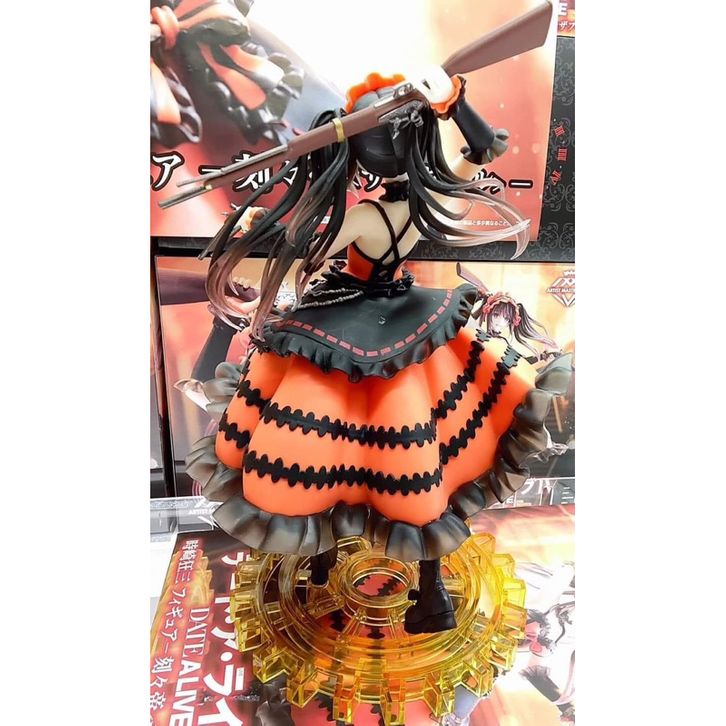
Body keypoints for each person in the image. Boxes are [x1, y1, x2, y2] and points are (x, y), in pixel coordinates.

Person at [187, 69, 572, 634]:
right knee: (420, 451)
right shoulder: (426, 199)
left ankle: (325, 561)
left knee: (327, 449)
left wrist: (257, 224)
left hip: (347, 326)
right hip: (408, 319)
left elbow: (304, 245)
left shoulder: (365, 217)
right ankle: (427, 592)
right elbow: (483, 148)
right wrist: (455, 105)